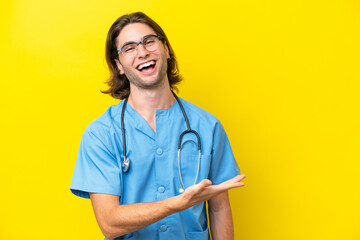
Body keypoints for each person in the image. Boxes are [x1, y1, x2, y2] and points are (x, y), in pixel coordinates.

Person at [70, 12, 246, 240]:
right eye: (129, 48)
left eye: (149, 41)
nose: (142, 52)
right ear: (119, 65)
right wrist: (177, 203)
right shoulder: (101, 134)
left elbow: (219, 207)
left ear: (166, 49)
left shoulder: (207, 126)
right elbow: (109, 223)